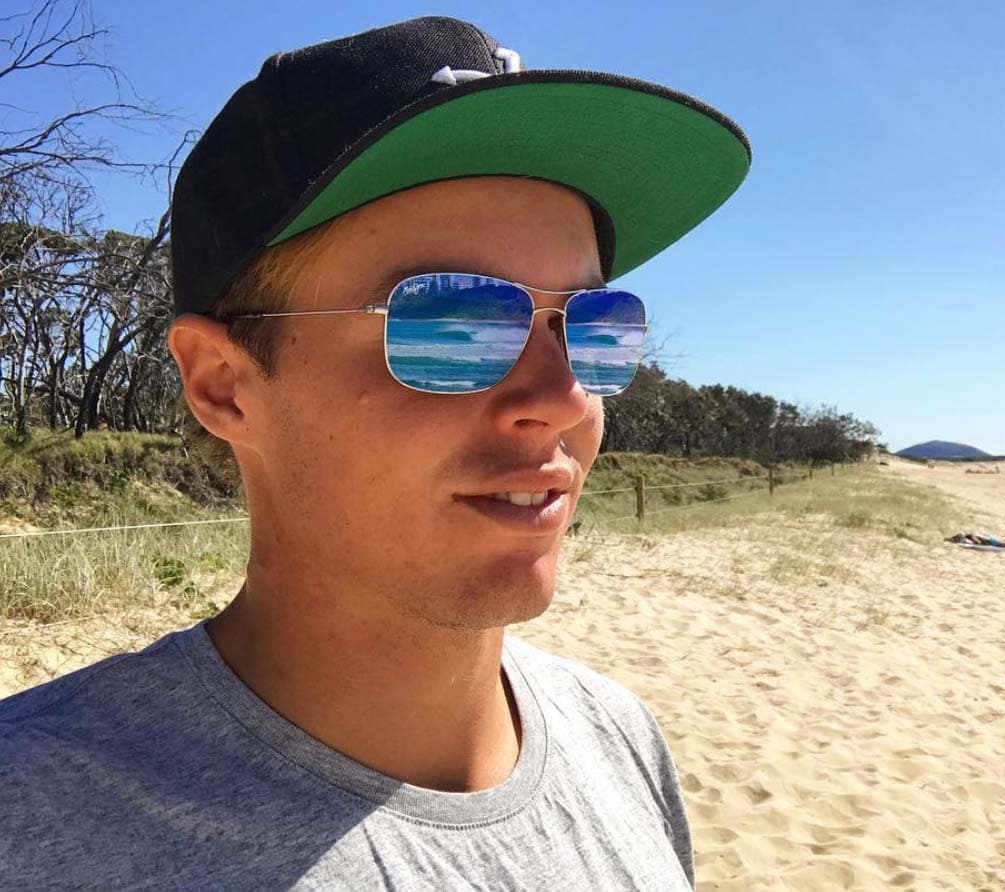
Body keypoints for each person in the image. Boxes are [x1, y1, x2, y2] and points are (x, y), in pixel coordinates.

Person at [0, 17, 750, 890]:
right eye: (451, 322)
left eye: (594, 328)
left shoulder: (620, 739)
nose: (560, 399)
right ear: (222, 385)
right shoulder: (37, 819)